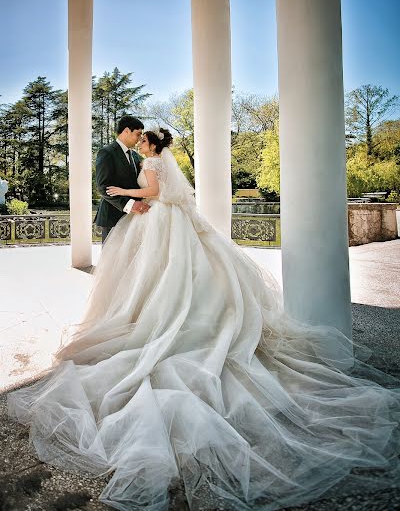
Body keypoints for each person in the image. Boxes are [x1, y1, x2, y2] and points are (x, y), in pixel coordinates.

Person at [8, 128, 400, 511]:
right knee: (166, 273)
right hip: (169, 219)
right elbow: (157, 191)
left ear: (149, 143)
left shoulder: (151, 163)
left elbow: (156, 193)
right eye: (139, 136)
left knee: (162, 273)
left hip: (157, 217)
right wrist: (128, 195)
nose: (141, 140)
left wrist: (127, 192)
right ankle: (168, 311)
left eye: (144, 138)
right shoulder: (151, 159)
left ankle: (164, 316)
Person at [94, 115, 150, 243]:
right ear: (126, 131)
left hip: (135, 218)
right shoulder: (107, 152)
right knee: (111, 261)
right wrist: (130, 205)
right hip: (113, 217)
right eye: (138, 134)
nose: (140, 139)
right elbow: (103, 187)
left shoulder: (135, 156)